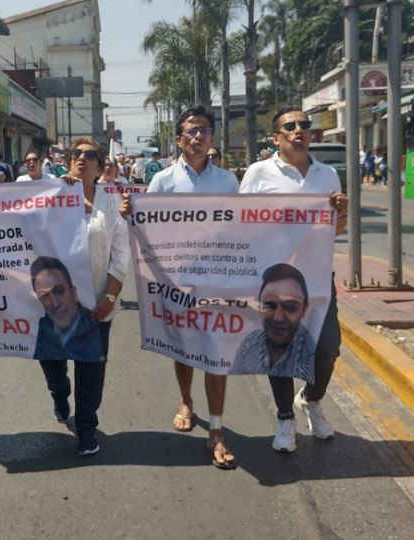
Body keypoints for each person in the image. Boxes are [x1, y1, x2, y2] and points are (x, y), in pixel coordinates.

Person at [239, 107, 348, 453]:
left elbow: (337, 230)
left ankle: (311, 400)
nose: (299, 129)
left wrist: (340, 212)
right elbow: (239, 221)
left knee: (327, 349)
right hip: (275, 282)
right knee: (280, 350)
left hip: (317, 279)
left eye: (304, 125)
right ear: (276, 137)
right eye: (290, 126)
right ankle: (285, 417)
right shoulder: (259, 173)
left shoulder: (328, 175)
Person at [146, 104, 239, 469]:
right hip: (177, 282)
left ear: (212, 137)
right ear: (179, 140)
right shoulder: (163, 181)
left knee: (216, 352)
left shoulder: (229, 182)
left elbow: (241, 228)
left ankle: (216, 430)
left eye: (203, 130)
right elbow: (146, 224)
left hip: (218, 280)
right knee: (184, 348)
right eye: (191, 131)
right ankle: (186, 400)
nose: (197, 136)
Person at [36, 137, 130, 456]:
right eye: (76, 153)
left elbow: (120, 254)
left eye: (90, 155)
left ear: (100, 166)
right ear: (68, 161)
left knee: (91, 368)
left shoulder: (110, 203)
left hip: (95, 304)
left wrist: (110, 297)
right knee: (52, 362)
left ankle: (86, 427)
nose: (82, 158)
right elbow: (26, 234)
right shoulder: (52, 196)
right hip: (55, 305)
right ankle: (60, 394)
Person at [230, 264, 317, 379]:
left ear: (304, 309)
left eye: (290, 307)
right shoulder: (251, 342)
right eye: (269, 305)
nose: (278, 317)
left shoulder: (311, 355)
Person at [31, 257, 106, 363]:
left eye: (59, 291)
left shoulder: (92, 323)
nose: (55, 304)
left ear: (73, 292)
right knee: (54, 379)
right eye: (45, 296)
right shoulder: (39, 332)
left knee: (90, 378)